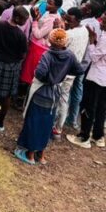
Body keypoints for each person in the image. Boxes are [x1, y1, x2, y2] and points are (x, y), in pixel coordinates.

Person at [16, 28, 86, 165]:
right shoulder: (70, 55)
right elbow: (79, 70)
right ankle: (41, 155)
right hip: (55, 93)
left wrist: (50, 79)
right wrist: (62, 75)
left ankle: (30, 155)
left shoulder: (48, 55)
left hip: (42, 92)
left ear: (50, 40)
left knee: (34, 122)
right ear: (65, 42)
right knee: (47, 123)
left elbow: (40, 73)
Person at [68, 9, 106, 149]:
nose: (101, 23)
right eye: (101, 19)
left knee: (88, 106)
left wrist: (92, 41)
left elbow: (94, 56)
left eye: (105, 22)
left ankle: (84, 137)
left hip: (97, 77)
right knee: (101, 107)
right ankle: (98, 136)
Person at [54, 7, 89, 136]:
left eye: (69, 19)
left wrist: (58, 29)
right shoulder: (84, 30)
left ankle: (51, 124)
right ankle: (58, 128)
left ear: (77, 19)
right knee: (64, 98)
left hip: (61, 69)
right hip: (73, 70)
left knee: (55, 97)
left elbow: (56, 46)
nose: (67, 21)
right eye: (66, 18)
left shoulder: (69, 34)